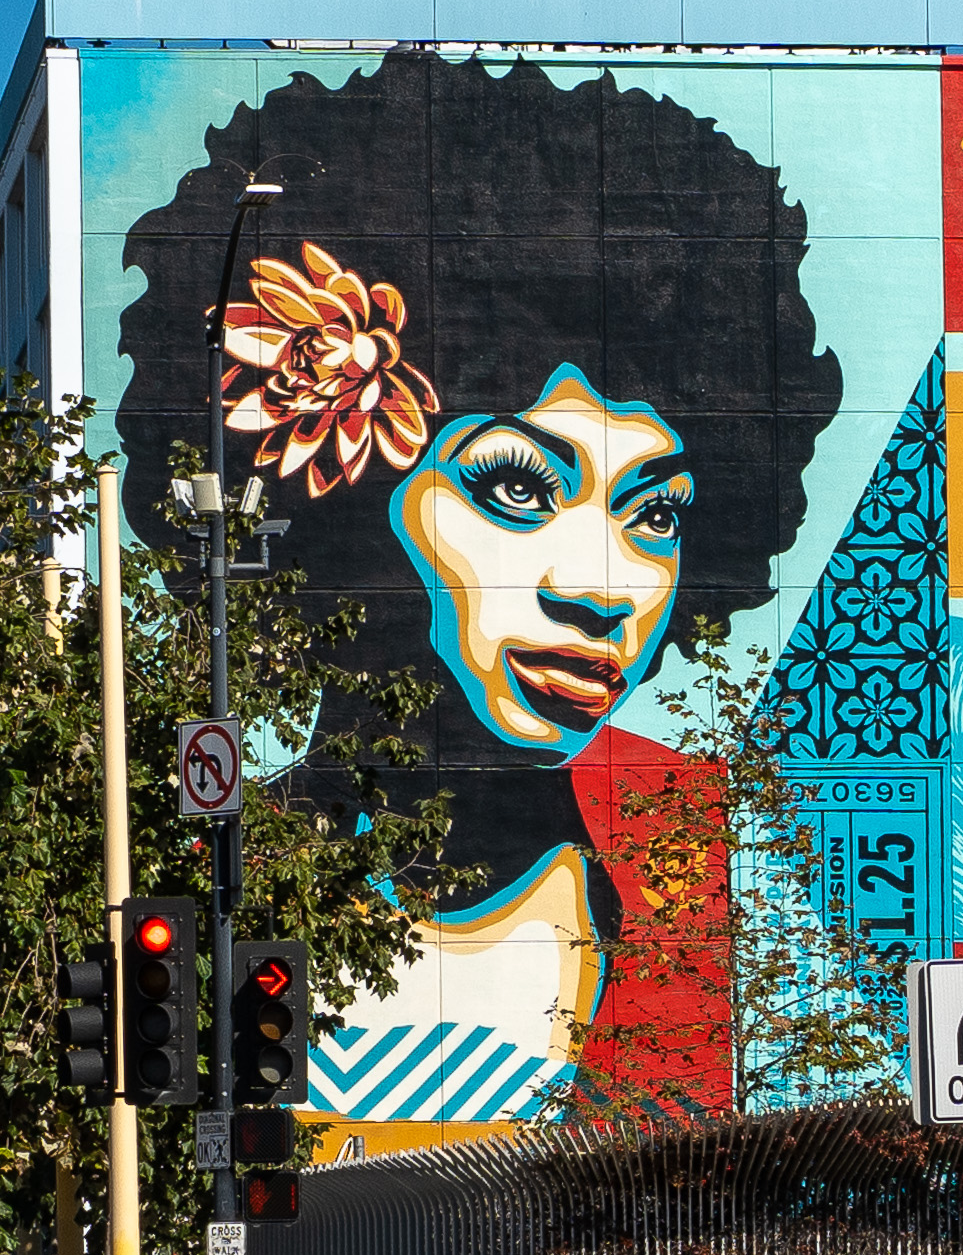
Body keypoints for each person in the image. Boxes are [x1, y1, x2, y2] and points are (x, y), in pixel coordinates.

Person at [117, 54, 844, 1118]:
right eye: (515, 487)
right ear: (354, 496)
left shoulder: (703, 874)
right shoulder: (213, 880)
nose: (601, 588)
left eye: (654, 514)